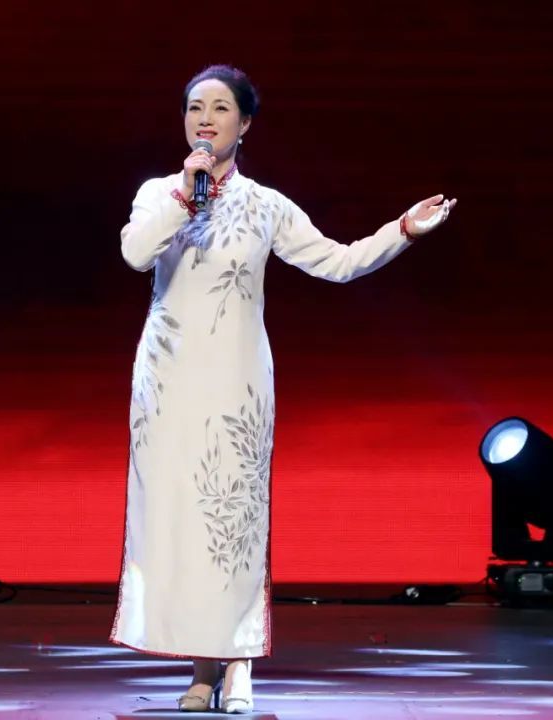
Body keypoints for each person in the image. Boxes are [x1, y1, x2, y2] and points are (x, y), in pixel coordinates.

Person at [109, 64, 456, 714]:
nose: (205, 119)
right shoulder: (159, 192)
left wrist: (403, 231)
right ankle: (202, 668)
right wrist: (186, 195)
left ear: (245, 124)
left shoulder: (266, 206)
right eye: (194, 107)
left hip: (235, 383)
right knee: (180, 523)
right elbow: (135, 253)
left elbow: (338, 261)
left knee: (232, 523)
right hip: (166, 383)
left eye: (220, 108)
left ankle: (238, 664)